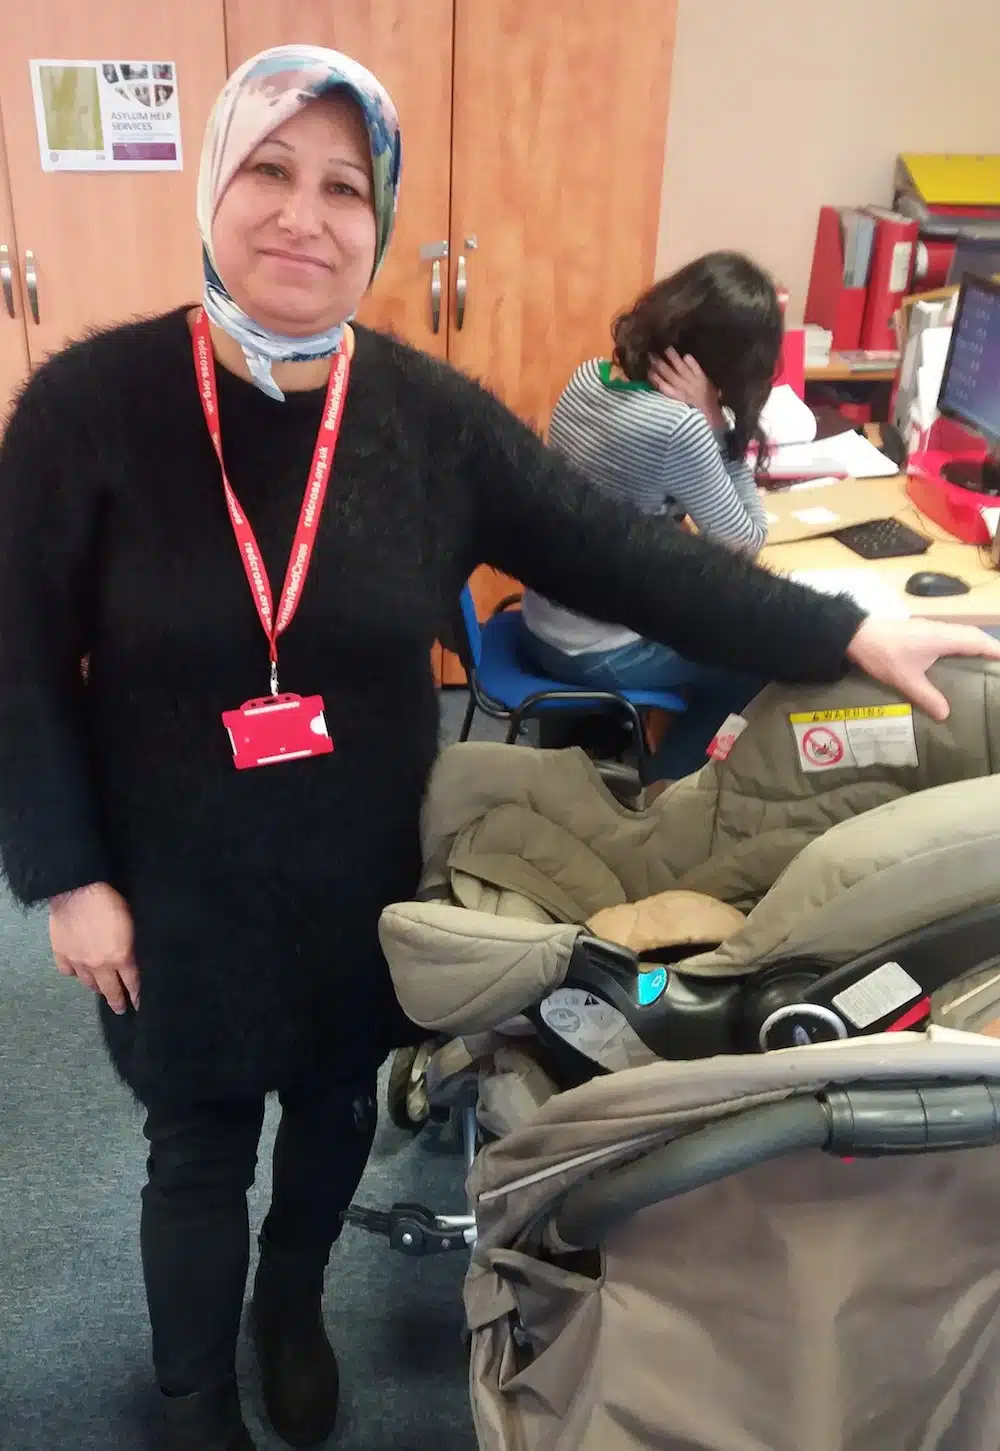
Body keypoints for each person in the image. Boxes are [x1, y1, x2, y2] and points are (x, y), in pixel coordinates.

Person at [0, 43, 998, 1451]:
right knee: (197, 1141)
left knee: (333, 1103)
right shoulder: (86, 409)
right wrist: (67, 873)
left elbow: (629, 559)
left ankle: (292, 1302)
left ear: (380, 225)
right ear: (214, 187)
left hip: (354, 857)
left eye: (344, 188)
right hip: (171, 875)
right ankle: (193, 1397)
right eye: (269, 170)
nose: (303, 215)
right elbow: (18, 655)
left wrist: (844, 628)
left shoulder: (426, 421)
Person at [519, 251, 784, 781]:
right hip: (593, 647)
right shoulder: (678, 428)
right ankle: (664, 793)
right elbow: (745, 540)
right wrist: (716, 423)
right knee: (757, 663)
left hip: (545, 617)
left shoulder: (589, 377)